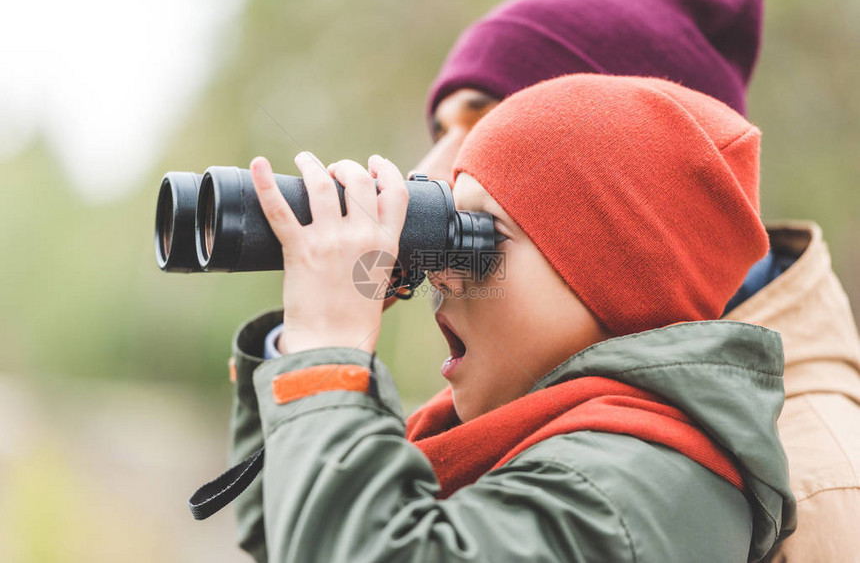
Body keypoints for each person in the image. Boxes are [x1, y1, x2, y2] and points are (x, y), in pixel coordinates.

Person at [220, 73, 795, 562]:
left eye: (478, 238)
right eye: (446, 230)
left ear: (612, 281)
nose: (442, 274)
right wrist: (299, 350)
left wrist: (329, 351)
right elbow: (291, 530)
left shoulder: (639, 486)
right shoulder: (504, 438)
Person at [410, 0, 860, 561]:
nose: (428, 174)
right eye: (439, 134)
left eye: (488, 122)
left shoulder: (822, 481)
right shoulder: (532, 392)